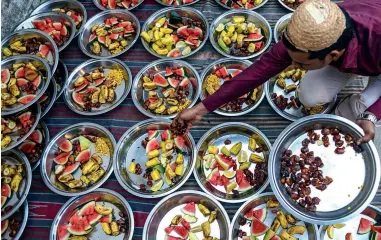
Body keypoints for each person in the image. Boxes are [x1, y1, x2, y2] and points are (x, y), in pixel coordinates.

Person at [174, 0, 381, 144]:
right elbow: (257, 73)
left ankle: (359, 102)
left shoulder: (377, 38)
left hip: (375, 61)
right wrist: (201, 109)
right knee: (309, 95)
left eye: (301, 65)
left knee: (357, 113)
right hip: (353, 56)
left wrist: (372, 116)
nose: (292, 66)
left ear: (332, 56)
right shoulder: (309, 37)